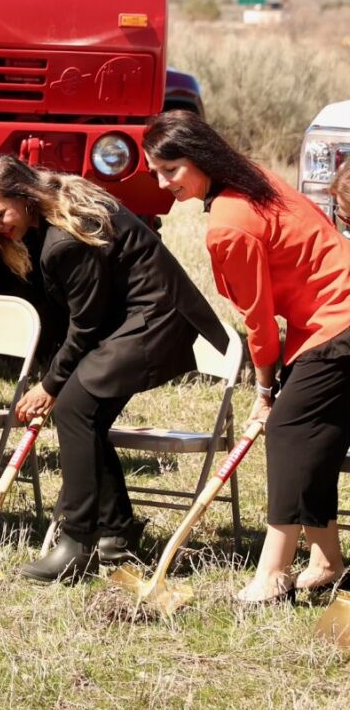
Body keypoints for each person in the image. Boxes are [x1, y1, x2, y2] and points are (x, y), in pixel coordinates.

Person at [0, 155, 225, 582]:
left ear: (25, 196)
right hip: (130, 320)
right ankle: (116, 533)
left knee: (73, 407)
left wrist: (50, 385)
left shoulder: (65, 238)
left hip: (154, 321)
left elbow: (86, 324)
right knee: (81, 411)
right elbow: (79, 317)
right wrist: (56, 379)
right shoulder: (49, 219)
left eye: (0, 214)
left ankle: (78, 542)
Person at [143, 112, 350, 604]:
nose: (162, 181)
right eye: (155, 171)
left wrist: (263, 390)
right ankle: (326, 560)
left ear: (200, 158)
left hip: (337, 320)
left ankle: (272, 575)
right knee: (315, 439)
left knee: (288, 433)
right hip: (327, 319)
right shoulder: (252, 180)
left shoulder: (229, 224)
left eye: (170, 168)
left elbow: (258, 323)